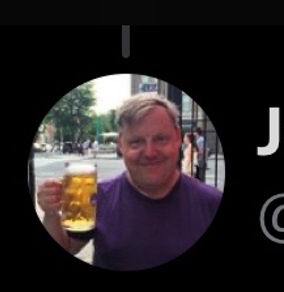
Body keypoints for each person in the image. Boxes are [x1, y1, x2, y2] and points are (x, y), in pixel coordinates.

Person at [36, 92, 221, 271]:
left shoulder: (212, 203)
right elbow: (68, 246)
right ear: (121, 144)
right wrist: (52, 213)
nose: (149, 152)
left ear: (178, 138)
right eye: (136, 142)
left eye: (160, 139)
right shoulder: (98, 197)